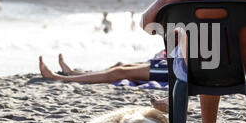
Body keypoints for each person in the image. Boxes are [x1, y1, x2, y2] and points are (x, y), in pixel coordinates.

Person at [39, 52, 168, 84]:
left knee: (119, 72)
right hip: (169, 63)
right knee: (121, 66)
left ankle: (57, 77)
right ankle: (72, 73)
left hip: (173, 68)